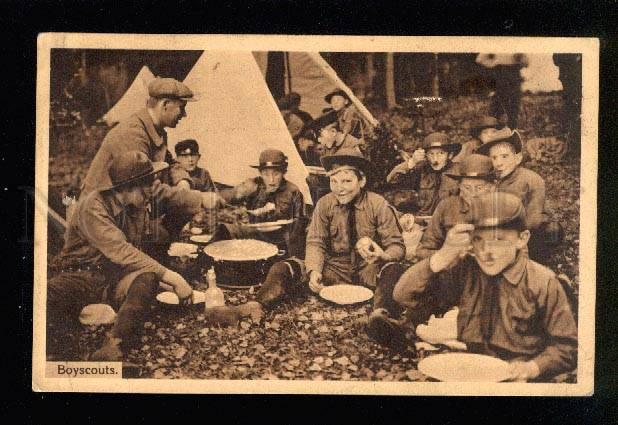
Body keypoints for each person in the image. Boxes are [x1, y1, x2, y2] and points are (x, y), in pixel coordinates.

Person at [210, 149, 406, 342]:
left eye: (347, 181)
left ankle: (380, 316)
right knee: (284, 267)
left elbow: (397, 246)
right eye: (334, 181)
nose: (340, 188)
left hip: (367, 269)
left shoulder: (378, 204)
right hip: (333, 269)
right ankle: (256, 304)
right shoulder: (325, 204)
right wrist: (314, 271)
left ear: (361, 181)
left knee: (393, 269)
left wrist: (383, 255)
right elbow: (315, 241)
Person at [47, 151, 224, 361]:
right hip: (79, 276)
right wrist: (173, 278)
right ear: (127, 188)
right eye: (148, 184)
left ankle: (115, 344)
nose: (152, 190)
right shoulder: (92, 206)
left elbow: (135, 259)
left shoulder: (135, 206)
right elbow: (123, 252)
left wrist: (170, 285)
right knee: (46, 297)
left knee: (147, 278)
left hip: (112, 277)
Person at [390, 192, 577, 381]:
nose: (486, 252)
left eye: (498, 240)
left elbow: (567, 348)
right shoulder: (466, 270)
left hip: (517, 379)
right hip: (469, 369)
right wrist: (443, 256)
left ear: (522, 238)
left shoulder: (542, 282)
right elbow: (402, 295)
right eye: (478, 240)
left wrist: (533, 368)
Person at [80, 77, 195, 197]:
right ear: (165, 104)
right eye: (181, 107)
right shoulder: (132, 134)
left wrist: (182, 180)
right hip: (101, 210)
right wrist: (196, 199)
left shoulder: (155, 130)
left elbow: (169, 162)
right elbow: (147, 190)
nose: (184, 114)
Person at [476, 130, 562, 261]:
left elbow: (533, 218)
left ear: (517, 158)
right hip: (501, 228)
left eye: (504, 156)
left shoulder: (532, 179)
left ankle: (534, 261)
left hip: (529, 229)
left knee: (550, 231)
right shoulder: (491, 181)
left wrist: (510, 237)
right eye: (494, 158)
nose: (499, 163)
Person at [212, 149, 306, 257]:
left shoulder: (293, 191)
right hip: (252, 237)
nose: (271, 180)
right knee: (222, 230)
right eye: (266, 174)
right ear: (260, 173)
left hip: (280, 242)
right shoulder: (253, 185)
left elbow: (299, 225)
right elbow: (230, 195)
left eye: (276, 174)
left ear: (283, 172)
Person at [416, 154, 496, 259]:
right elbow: (422, 251)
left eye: (479, 188)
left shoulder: (507, 209)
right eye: (467, 188)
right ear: (459, 186)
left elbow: (518, 253)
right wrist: (448, 255)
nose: (473, 194)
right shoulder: (446, 207)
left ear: (492, 187)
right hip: (452, 271)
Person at [386, 132, 461, 216]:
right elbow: (392, 180)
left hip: (449, 221)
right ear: (426, 155)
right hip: (423, 222)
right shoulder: (420, 170)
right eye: (431, 153)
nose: (435, 159)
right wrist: (412, 162)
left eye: (441, 153)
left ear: (450, 155)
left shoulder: (459, 171)